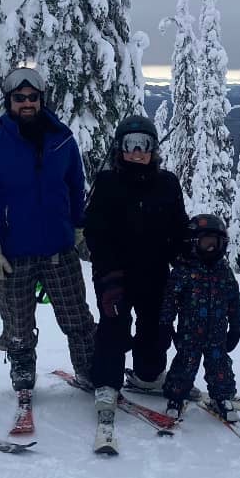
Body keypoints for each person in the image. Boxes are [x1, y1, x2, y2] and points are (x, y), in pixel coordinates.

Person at [0, 67, 96, 414]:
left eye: (32, 98)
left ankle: (88, 369)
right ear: (9, 102)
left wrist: (79, 227)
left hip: (58, 248)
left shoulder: (63, 139)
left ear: (42, 100)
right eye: (19, 98)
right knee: (18, 322)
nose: (26, 103)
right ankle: (22, 369)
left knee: (77, 318)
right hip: (13, 252)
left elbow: (75, 187)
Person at [83, 115, 187, 420]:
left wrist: (185, 260)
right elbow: (95, 232)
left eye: (144, 144)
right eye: (130, 144)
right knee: (113, 326)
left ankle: (148, 374)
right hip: (115, 271)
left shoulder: (167, 183)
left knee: (155, 327)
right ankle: (106, 383)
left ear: (154, 148)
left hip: (154, 271)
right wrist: (107, 276)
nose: (138, 151)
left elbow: (178, 228)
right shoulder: (107, 183)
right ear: (120, 149)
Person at [160, 214, 240, 422]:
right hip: (189, 334)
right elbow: (169, 299)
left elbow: (234, 300)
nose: (211, 248)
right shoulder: (184, 270)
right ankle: (175, 398)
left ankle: (222, 397)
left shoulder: (224, 271)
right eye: (206, 242)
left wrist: (236, 326)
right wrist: (165, 324)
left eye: (215, 243)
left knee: (220, 367)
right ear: (193, 242)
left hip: (217, 334)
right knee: (184, 366)